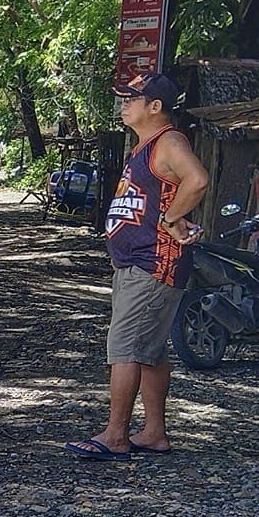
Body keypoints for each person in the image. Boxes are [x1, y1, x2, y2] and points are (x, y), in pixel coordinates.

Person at [66, 73, 210, 461]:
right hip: (137, 263)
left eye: (132, 98)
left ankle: (116, 435)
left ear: (155, 106)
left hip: (153, 262)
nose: (124, 105)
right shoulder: (143, 146)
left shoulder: (169, 141)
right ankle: (154, 432)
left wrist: (170, 219)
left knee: (125, 347)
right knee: (150, 349)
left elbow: (197, 180)